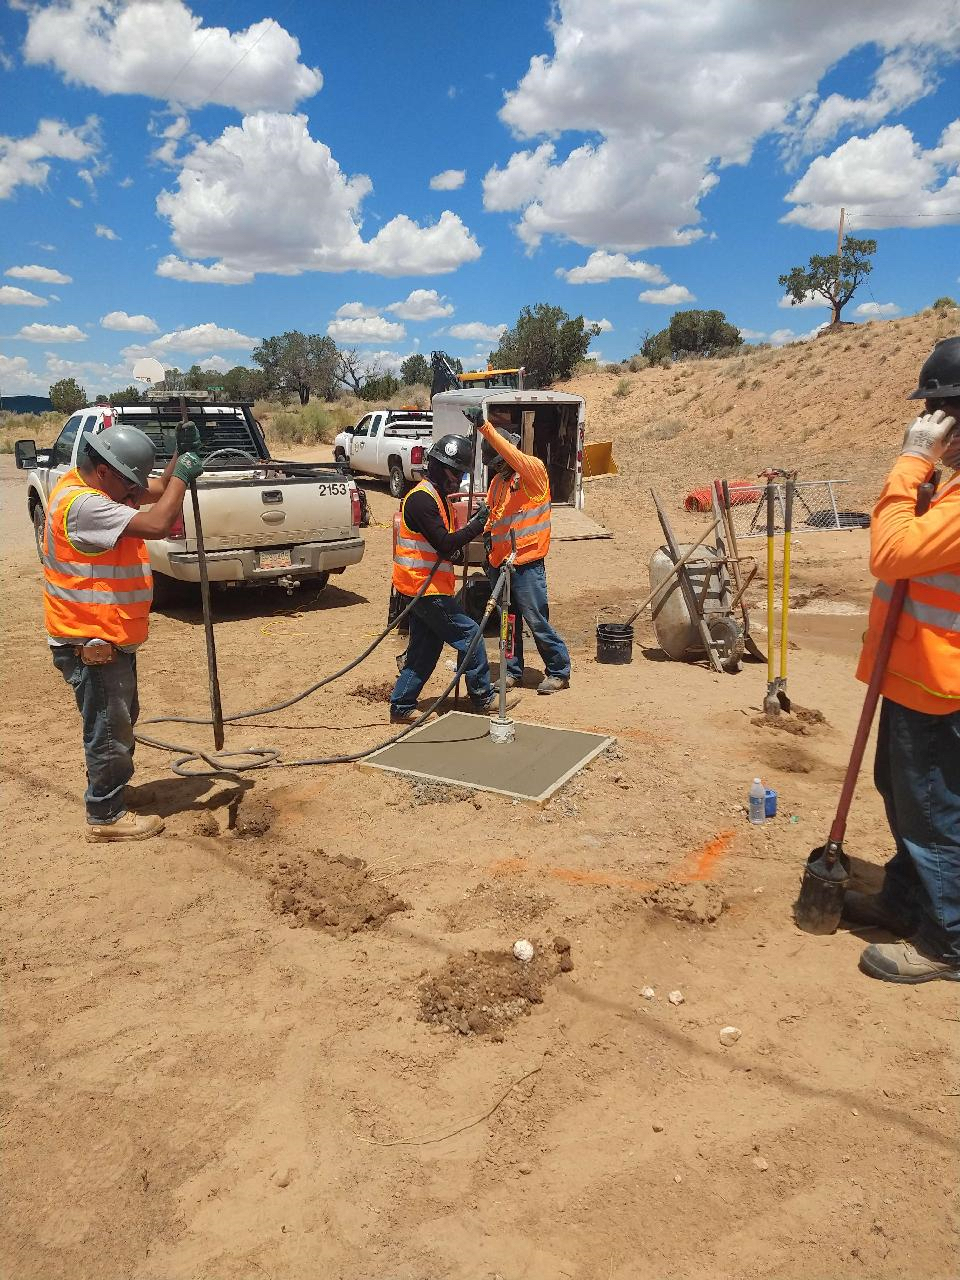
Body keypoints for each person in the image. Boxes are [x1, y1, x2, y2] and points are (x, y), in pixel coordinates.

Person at [843, 335, 960, 983]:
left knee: (934, 812)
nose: (933, 427)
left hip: (939, 685)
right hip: (915, 676)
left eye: (942, 414)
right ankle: (905, 899)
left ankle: (947, 941)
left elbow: (890, 554)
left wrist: (910, 464)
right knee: (902, 794)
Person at [44, 422, 204, 841]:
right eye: (129, 482)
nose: (135, 492)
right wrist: (184, 476)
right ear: (104, 471)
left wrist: (177, 457)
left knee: (119, 721)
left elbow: (154, 490)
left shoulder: (93, 485)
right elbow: (157, 522)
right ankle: (106, 815)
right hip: (91, 640)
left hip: (109, 635)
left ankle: (114, 792)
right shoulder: (84, 505)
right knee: (108, 728)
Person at [390, 433, 521, 723]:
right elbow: (445, 542)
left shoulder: (439, 499)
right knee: (469, 634)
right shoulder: (421, 500)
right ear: (438, 466)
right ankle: (483, 697)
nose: (458, 478)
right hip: (423, 588)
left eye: (462, 472)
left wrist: (459, 554)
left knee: (425, 649)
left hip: (430, 586)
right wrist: (478, 524)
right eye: (455, 471)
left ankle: (401, 705)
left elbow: (446, 548)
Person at [477, 405, 572, 694]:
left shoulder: (533, 472)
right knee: (508, 621)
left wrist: (485, 427)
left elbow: (511, 456)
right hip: (500, 565)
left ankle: (558, 670)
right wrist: (486, 543)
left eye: (499, 461)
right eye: (494, 464)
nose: (497, 466)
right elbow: (493, 517)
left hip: (527, 563)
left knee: (535, 619)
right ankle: (512, 670)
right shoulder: (497, 483)